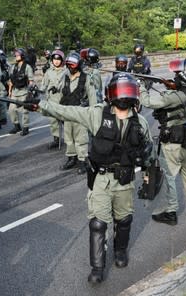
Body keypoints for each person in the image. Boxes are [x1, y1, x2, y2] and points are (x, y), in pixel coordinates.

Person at [23, 73, 153, 284]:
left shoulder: (141, 123)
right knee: (98, 224)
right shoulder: (97, 115)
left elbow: (149, 154)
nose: (124, 97)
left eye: (128, 92)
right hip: (101, 179)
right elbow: (68, 111)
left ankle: (120, 251)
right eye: (120, 92)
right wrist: (41, 105)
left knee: (124, 219)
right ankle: (98, 267)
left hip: (125, 181)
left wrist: (149, 178)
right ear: (110, 95)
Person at [140, 58, 186, 224]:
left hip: (172, 144)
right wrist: (172, 86)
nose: (175, 76)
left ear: (185, 75)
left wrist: (140, 86)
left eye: (178, 73)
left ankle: (170, 212)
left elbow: (147, 101)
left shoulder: (175, 95)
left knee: (169, 177)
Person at [58, 52, 97, 174]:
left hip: (80, 112)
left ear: (78, 65)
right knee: (68, 137)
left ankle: (82, 160)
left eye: (73, 65)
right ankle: (71, 158)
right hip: (67, 112)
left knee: (81, 138)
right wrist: (58, 111)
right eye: (68, 64)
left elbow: (92, 96)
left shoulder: (86, 78)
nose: (70, 67)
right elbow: (61, 94)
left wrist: (93, 113)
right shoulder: (65, 77)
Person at [40, 49, 66, 149]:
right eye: (54, 59)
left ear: (62, 60)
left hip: (64, 100)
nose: (56, 61)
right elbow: (44, 85)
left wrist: (59, 87)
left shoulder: (66, 71)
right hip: (51, 100)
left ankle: (70, 139)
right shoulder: (48, 72)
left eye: (58, 59)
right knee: (53, 121)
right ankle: (57, 139)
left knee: (66, 121)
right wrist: (37, 91)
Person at [7, 48, 34, 136]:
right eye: (16, 55)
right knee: (11, 110)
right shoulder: (13, 67)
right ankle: (16, 125)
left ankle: (25, 127)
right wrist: (10, 91)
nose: (16, 56)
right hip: (15, 92)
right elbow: (11, 80)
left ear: (22, 56)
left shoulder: (27, 67)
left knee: (24, 111)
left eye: (18, 55)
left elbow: (31, 81)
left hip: (24, 91)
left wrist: (30, 92)